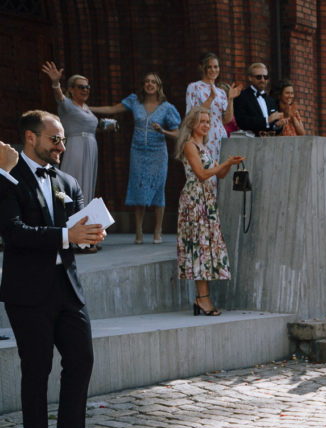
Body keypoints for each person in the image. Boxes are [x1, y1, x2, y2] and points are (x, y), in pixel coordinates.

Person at [0, 111, 111, 428]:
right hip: (28, 293)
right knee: (37, 368)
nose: (62, 146)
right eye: (55, 140)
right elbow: (14, 233)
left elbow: (78, 229)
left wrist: (90, 236)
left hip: (67, 289)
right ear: (30, 138)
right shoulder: (8, 180)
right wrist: (68, 236)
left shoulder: (67, 180)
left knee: (81, 359)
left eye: (62, 139)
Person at [81, 73, 181, 244]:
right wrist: (87, 108)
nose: (149, 84)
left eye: (153, 82)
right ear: (143, 85)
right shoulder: (135, 101)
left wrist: (162, 131)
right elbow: (113, 109)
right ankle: (139, 232)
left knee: (158, 190)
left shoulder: (167, 107)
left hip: (158, 153)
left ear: (158, 86)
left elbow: (177, 133)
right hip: (138, 152)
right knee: (138, 188)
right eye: (147, 82)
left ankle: (158, 230)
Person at [175, 107, 244, 316]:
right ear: (192, 124)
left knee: (206, 249)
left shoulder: (204, 147)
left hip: (207, 201)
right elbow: (202, 174)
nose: (206, 125)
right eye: (202, 121)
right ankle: (203, 299)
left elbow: (219, 174)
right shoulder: (189, 145)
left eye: (208, 121)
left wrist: (229, 164)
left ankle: (203, 299)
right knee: (199, 248)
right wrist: (223, 164)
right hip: (194, 201)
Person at [41, 61, 113, 206]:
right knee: (72, 179)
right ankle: (66, 214)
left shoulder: (86, 108)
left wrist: (104, 129)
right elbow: (58, 95)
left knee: (87, 182)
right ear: (71, 89)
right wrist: (55, 83)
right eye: (81, 87)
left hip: (91, 147)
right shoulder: (67, 104)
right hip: (75, 146)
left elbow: (88, 129)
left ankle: (83, 216)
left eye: (87, 87)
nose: (85, 90)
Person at [185, 53, 241, 164]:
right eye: (209, 67)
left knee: (221, 174)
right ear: (203, 68)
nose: (213, 70)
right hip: (204, 137)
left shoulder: (221, 91)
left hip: (220, 137)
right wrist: (210, 98)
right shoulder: (194, 87)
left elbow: (226, 119)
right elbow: (192, 115)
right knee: (207, 174)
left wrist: (230, 99)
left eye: (216, 67)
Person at [234, 63, 283, 136]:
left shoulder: (271, 100)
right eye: (259, 77)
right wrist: (267, 120)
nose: (263, 80)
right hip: (250, 143)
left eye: (265, 77)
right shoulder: (242, 97)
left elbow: (273, 127)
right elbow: (242, 122)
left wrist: (277, 126)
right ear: (250, 78)